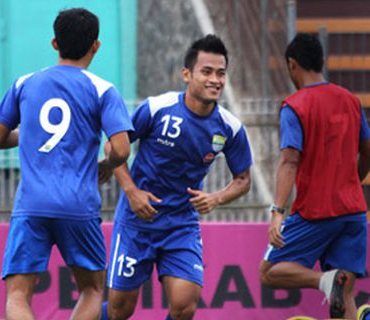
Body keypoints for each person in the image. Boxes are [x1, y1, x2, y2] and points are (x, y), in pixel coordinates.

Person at [0, 8, 133, 320]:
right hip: (78, 205)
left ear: (54, 43)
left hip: (31, 204)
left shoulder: (25, 83)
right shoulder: (103, 89)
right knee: (92, 290)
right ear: (96, 46)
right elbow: (121, 149)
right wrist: (107, 165)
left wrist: (28, 132)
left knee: (17, 294)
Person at [101, 35, 253, 320]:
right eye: (206, 71)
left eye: (221, 73)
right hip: (138, 222)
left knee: (184, 306)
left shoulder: (230, 127)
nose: (215, 80)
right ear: (187, 74)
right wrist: (132, 192)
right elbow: (113, 146)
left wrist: (216, 198)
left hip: (181, 224)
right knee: (120, 309)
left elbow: (244, 179)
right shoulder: (158, 108)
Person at [259, 33, 370, 320]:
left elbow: (289, 161)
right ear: (321, 62)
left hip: (316, 213)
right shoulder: (351, 101)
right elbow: (368, 151)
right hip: (354, 212)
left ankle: (323, 280)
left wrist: (277, 212)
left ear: (292, 65)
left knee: (269, 272)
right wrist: (352, 184)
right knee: (344, 295)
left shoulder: (295, 105)